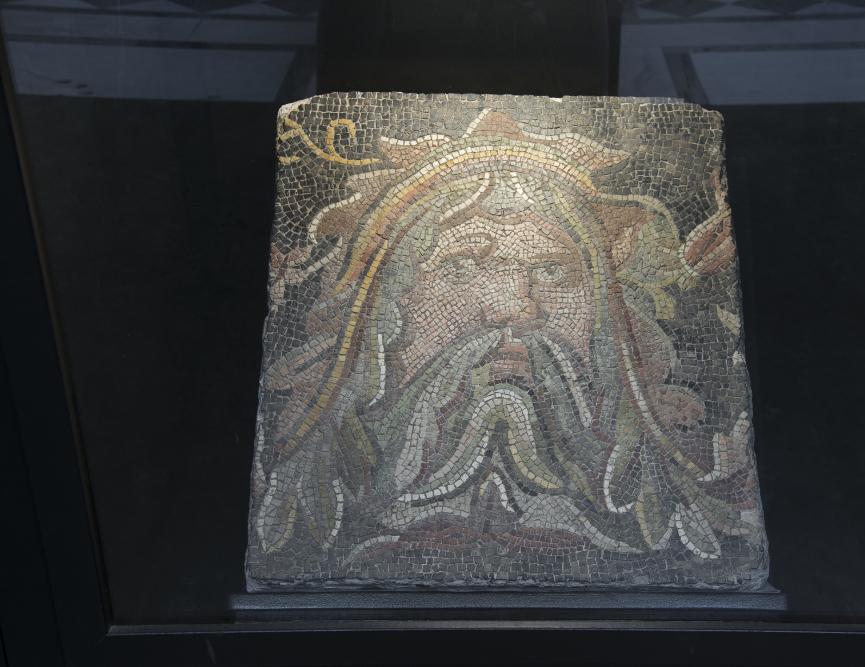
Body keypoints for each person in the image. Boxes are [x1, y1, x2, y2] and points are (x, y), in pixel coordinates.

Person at [252, 107, 765, 581]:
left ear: (612, 317)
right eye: (460, 268)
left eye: (553, 272)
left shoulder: (696, 512)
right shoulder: (304, 529)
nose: (516, 308)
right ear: (377, 312)